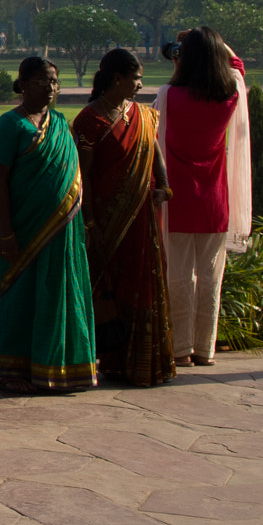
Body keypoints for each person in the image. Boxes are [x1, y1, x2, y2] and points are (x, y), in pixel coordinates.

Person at [0, 57, 99, 396]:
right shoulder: (10, 124)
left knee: (60, 293)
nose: (50, 88)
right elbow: (1, 179)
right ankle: (12, 371)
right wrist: (6, 231)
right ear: (22, 84)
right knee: (21, 297)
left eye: (54, 81)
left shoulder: (60, 123)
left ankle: (60, 365)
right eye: (42, 81)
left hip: (63, 230)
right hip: (24, 229)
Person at [72, 49, 175, 387]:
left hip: (141, 217)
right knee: (110, 287)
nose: (140, 84)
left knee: (142, 282)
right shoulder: (90, 119)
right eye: (136, 78)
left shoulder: (144, 115)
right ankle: (111, 360)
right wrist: (89, 223)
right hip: (106, 220)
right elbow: (83, 177)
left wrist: (164, 185)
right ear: (117, 79)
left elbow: (155, 151)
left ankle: (143, 363)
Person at [154, 27, 250, 368]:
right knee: (211, 275)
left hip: (178, 196)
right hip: (214, 197)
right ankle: (203, 348)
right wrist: (214, 42)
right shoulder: (229, 95)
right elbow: (236, 64)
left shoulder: (170, 96)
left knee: (179, 274)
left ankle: (180, 348)